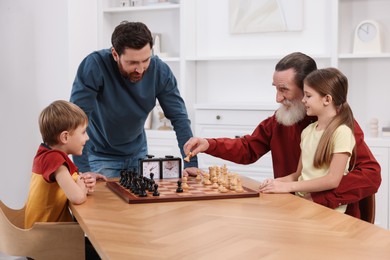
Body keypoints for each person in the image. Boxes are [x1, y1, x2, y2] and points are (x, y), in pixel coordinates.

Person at [183, 52, 381, 218]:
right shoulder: (281, 121)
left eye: (284, 90)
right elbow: (248, 148)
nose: (277, 98)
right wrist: (208, 144)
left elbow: (370, 175)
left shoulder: (340, 126)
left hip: (330, 218)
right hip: (291, 212)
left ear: (308, 88)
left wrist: (318, 199)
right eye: (276, 89)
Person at [70, 21, 198, 178]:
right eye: (132, 63)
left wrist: (191, 163)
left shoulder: (160, 71)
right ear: (115, 54)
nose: (140, 69)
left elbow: (179, 118)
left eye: (145, 60)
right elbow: (76, 119)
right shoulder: (94, 65)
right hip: (99, 156)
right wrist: (83, 170)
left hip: (138, 153)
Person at [258, 68, 355, 213]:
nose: (303, 100)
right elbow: (298, 175)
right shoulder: (308, 132)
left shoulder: (342, 132)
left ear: (327, 99)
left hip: (328, 212)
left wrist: (288, 187)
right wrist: (276, 182)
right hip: (304, 206)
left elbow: (333, 179)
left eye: (308, 96)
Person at [25, 100, 107, 259]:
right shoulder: (54, 160)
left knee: (99, 246)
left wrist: (85, 179)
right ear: (65, 137)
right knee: (104, 253)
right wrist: (81, 186)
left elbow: (73, 180)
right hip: (45, 244)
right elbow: (77, 197)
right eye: (83, 132)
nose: (87, 137)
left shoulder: (46, 155)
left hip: (41, 238)